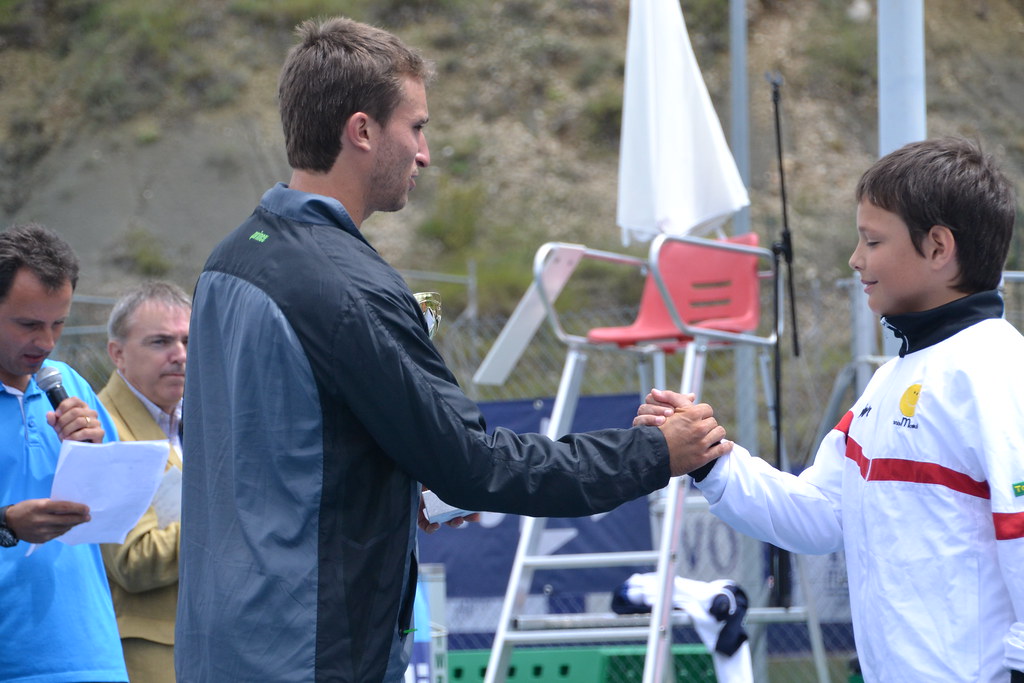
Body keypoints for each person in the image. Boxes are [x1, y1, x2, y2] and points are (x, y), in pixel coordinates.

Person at [176, 16, 730, 683]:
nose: (425, 153)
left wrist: (394, 493)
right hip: (310, 655)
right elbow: (472, 465)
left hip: (217, 647)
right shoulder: (345, 287)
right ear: (361, 131)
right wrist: (654, 453)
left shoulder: (228, 260)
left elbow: (274, 453)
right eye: (416, 127)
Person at [635, 137, 1024, 682]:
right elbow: (820, 514)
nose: (855, 259)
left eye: (872, 240)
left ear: (939, 247)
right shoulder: (890, 380)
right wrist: (710, 459)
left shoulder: (998, 371)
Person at [0, 222, 128, 682]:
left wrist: (94, 457)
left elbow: (115, 515)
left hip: (93, 657)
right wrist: (6, 524)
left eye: (59, 324)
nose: (47, 342)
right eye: (29, 324)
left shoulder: (69, 384)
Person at [99, 281, 191, 683]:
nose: (180, 355)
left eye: (188, 341)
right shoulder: (101, 431)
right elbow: (132, 561)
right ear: (117, 353)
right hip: (150, 659)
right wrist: (227, 518)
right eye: (160, 342)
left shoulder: (199, 420)